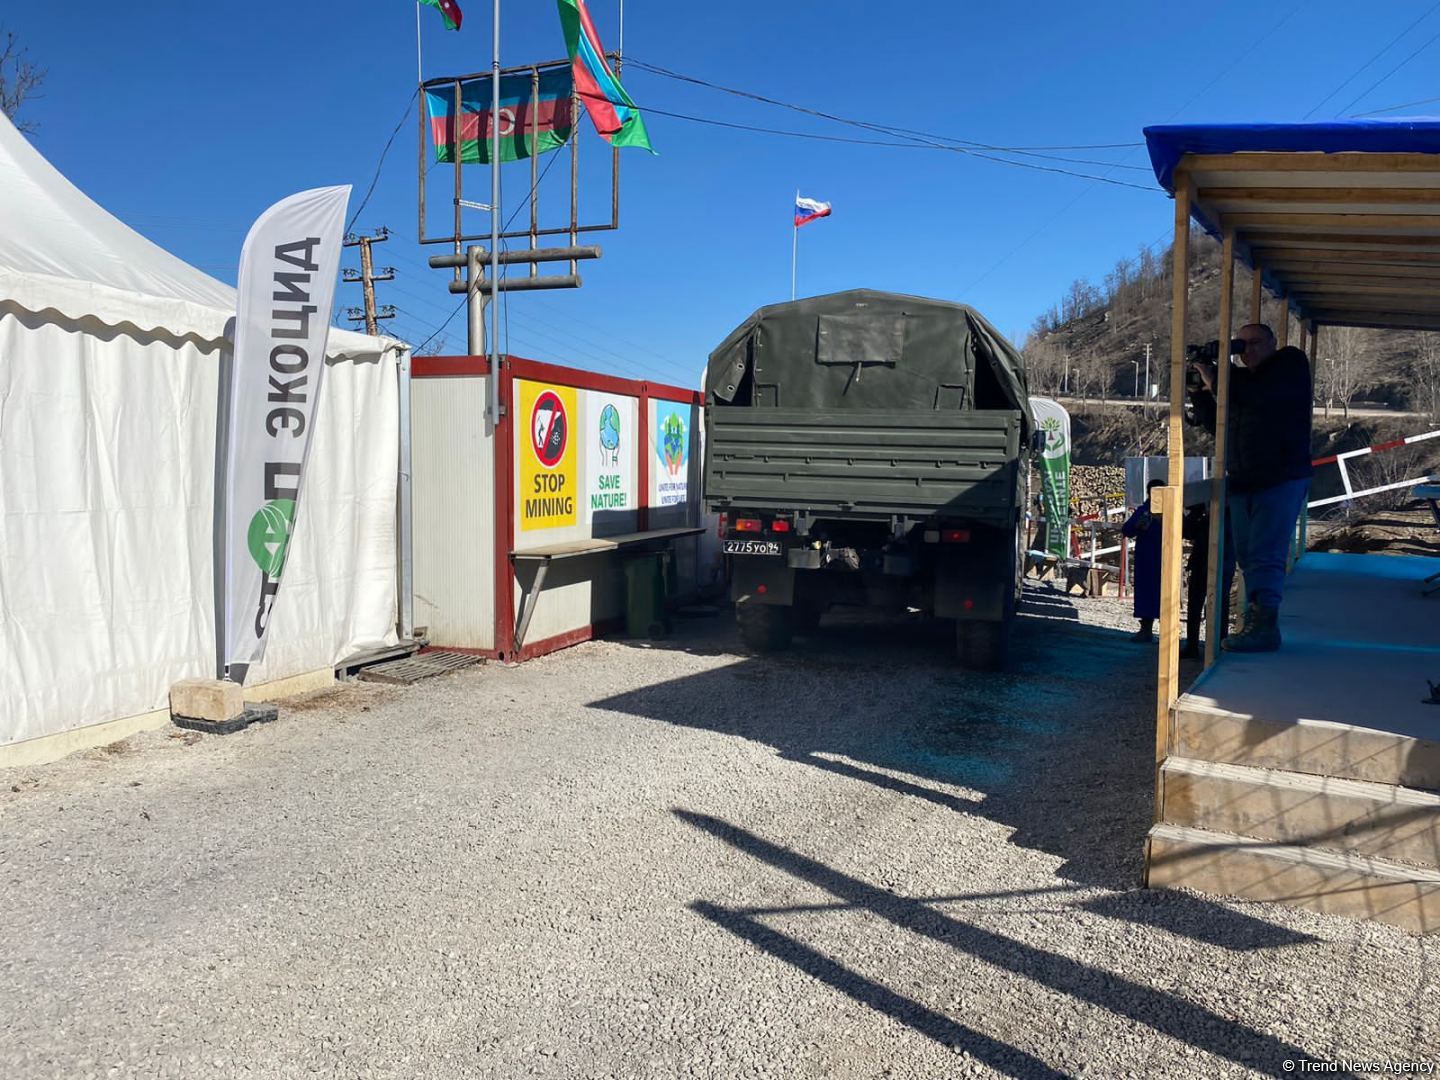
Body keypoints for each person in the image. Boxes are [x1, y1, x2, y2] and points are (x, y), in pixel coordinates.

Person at [1189, 323, 1313, 652]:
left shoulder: (1290, 363)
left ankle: (1265, 627)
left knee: (1265, 553)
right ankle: (1257, 620)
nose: (1249, 350)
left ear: (1273, 343)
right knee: (1248, 554)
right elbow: (1219, 426)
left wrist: (1218, 375)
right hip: (1244, 481)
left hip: (1281, 477)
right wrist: (1200, 392)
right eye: (1242, 345)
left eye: (1256, 343)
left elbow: (1261, 397)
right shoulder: (1241, 385)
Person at [1179, 501, 1234, 659]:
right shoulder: (1230, 520)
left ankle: (1195, 646)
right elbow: (1188, 532)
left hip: (1207, 567)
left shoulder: (1213, 520)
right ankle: (1215, 646)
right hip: (1217, 567)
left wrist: (1195, 513)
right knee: (1218, 607)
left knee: (1200, 608)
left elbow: (1188, 531)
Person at [1121, 479, 1164, 642]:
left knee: (1164, 594)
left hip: (1165, 559)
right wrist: (1138, 526)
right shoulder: (1144, 510)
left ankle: (1168, 632)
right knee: (1146, 592)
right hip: (1146, 559)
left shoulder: (1171, 511)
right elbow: (1127, 529)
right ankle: (1146, 629)